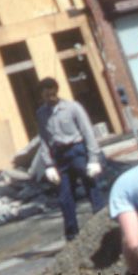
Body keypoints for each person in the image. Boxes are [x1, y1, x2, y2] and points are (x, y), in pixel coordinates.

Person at [35, 77, 106, 241]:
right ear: (42, 96)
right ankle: (72, 235)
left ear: (56, 91)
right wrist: (48, 164)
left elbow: (88, 132)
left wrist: (93, 158)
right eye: (46, 96)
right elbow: (44, 139)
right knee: (64, 196)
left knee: (91, 187)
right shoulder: (41, 114)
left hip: (77, 151)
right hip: (59, 156)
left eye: (52, 94)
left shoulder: (73, 108)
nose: (50, 98)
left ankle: (104, 227)